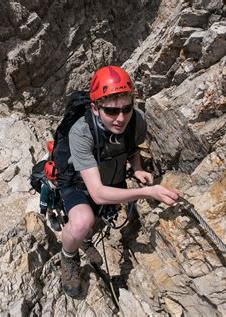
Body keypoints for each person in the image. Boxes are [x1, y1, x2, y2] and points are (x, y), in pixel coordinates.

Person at [58, 66, 182, 297]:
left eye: (126, 108)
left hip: (113, 179)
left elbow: (131, 146)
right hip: (79, 184)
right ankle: (69, 256)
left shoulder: (136, 120)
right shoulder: (81, 133)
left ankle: (84, 240)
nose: (121, 118)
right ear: (95, 108)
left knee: (98, 221)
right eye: (111, 111)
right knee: (82, 221)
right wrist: (148, 192)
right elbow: (97, 193)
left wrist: (136, 168)